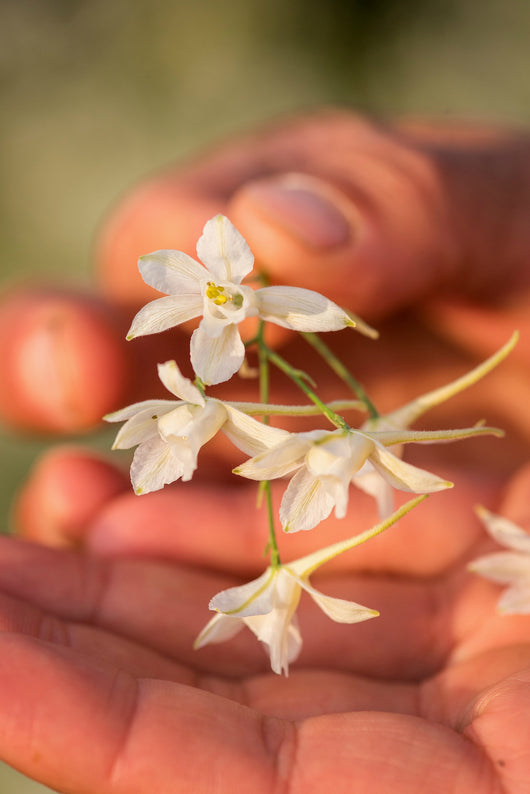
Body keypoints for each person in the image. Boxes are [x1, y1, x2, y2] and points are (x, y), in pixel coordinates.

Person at [0, 110, 529, 792]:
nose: (222, 300)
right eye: (217, 296)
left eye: (227, 294)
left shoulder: (270, 318)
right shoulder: (215, 344)